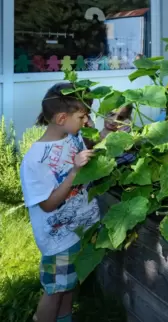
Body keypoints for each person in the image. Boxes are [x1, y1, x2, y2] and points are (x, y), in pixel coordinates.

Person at [20, 83, 100, 322]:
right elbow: (47, 205)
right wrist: (74, 171)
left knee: (67, 287)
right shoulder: (34, 160)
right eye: (82, 116)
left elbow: (88, 151)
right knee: (54, 291)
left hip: (78, 230)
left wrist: (96, 135)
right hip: (58, 239)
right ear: (62, 118)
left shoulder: (71, 137)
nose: (87, 120)